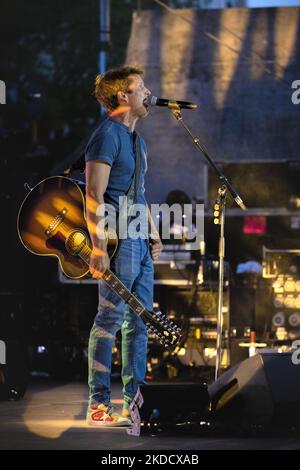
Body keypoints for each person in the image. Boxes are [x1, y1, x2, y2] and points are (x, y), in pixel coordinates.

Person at [85, 66, 163, 426]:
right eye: (141, 86)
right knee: (110, 318)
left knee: (140, 322)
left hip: (139, 241)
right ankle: (98, 404)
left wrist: (152, 232)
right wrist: (98, 245)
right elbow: (94, 193)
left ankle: (135, 404)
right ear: (123, 95)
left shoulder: (138, 142)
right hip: (116, 240)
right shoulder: (107, 136)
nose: (149, 91)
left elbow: (140, 194)